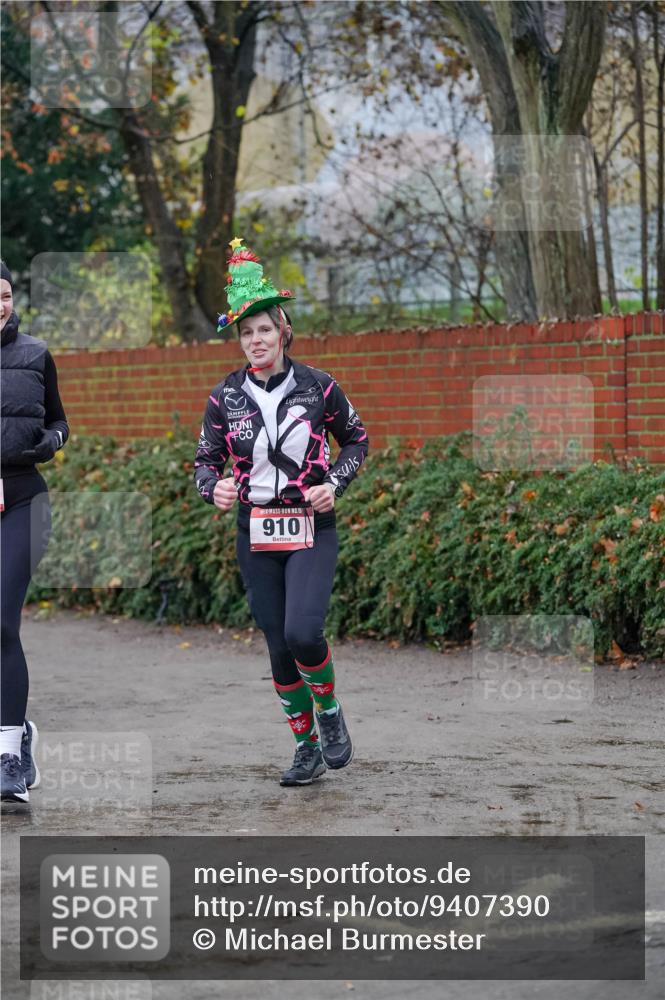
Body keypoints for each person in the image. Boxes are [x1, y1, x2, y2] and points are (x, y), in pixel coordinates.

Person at [194, 239, 369, 787]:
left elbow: (357, 442)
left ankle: (331, 709)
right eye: (246, 333)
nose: (255, 341)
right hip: (256, 530)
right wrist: (214, 489)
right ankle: (305, 747)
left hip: (311, 526)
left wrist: (333, 484)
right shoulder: (225, 398)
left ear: (283, 331)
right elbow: (204, 462)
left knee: (303, 633)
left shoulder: (319, 387)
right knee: (276, 645)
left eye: (264, 330)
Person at [0, 261, 69, 803]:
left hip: (24, 498)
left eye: (4, 296)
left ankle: (7, 757)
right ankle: (20, 734)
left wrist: (50, 442)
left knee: (3, 621)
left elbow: (60, 421)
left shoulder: (35, 353)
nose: (0, 305)